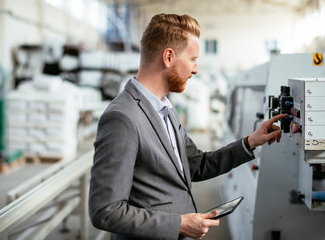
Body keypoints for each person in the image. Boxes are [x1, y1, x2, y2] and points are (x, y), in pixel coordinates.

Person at [89, 13, 286, 240]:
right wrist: (178, 223)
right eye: (192, 59)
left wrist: (250, 142)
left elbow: (196, 165)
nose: (195, 69)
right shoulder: (122, 118)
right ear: (169, 57)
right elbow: (105, 210)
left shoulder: (165, 110)